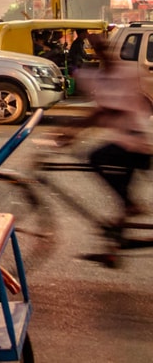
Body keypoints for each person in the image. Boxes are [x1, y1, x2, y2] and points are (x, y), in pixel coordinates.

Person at [61, 34, 151, 263]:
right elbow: (102, 110)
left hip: (137, 140)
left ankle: (129, 207)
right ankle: (113, 251)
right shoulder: (102, 77)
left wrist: (74, 131)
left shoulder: (126, 73)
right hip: (127, 139)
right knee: (122, 196)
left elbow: (107, 111)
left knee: (95, 158)